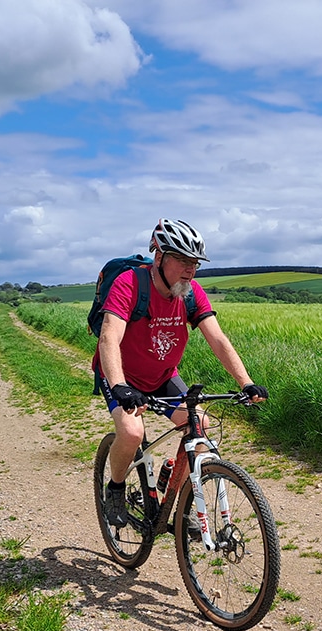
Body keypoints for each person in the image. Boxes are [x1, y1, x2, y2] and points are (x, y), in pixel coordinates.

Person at [93, 217, 267, 524]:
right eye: (183, 261)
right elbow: (109, 336)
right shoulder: (131, 284)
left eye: (195, 263)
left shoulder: (190, 292)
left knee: (200, 425)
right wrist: (119, 385)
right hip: (121, 376)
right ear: (159, 256)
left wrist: (246, 381)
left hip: (162, 377)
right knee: (132, 432)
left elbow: (218, 339)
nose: (190, 269)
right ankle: (116, 487)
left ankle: (180, 500)